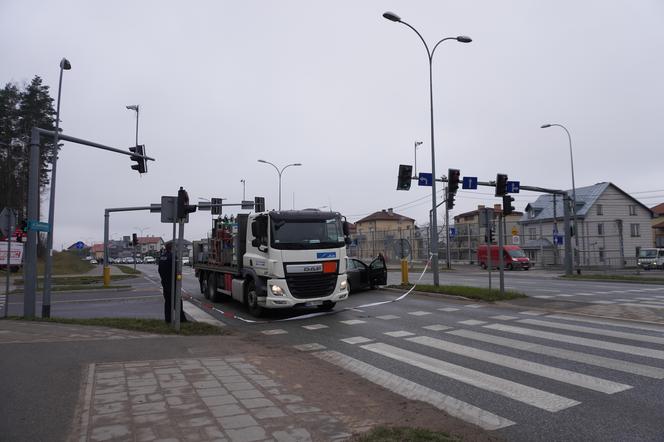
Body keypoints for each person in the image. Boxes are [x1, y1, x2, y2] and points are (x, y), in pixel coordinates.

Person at [158, 242, 187, 323]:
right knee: (178, 301)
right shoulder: (173, 257)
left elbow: (159, 270)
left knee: (167, 302)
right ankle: (181, 319)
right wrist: (178, 279)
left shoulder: (162, 257)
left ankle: (168, 320)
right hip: (173, 283)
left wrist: (164, 279)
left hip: (165, 282)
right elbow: (177, 270)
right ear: (172, 248)